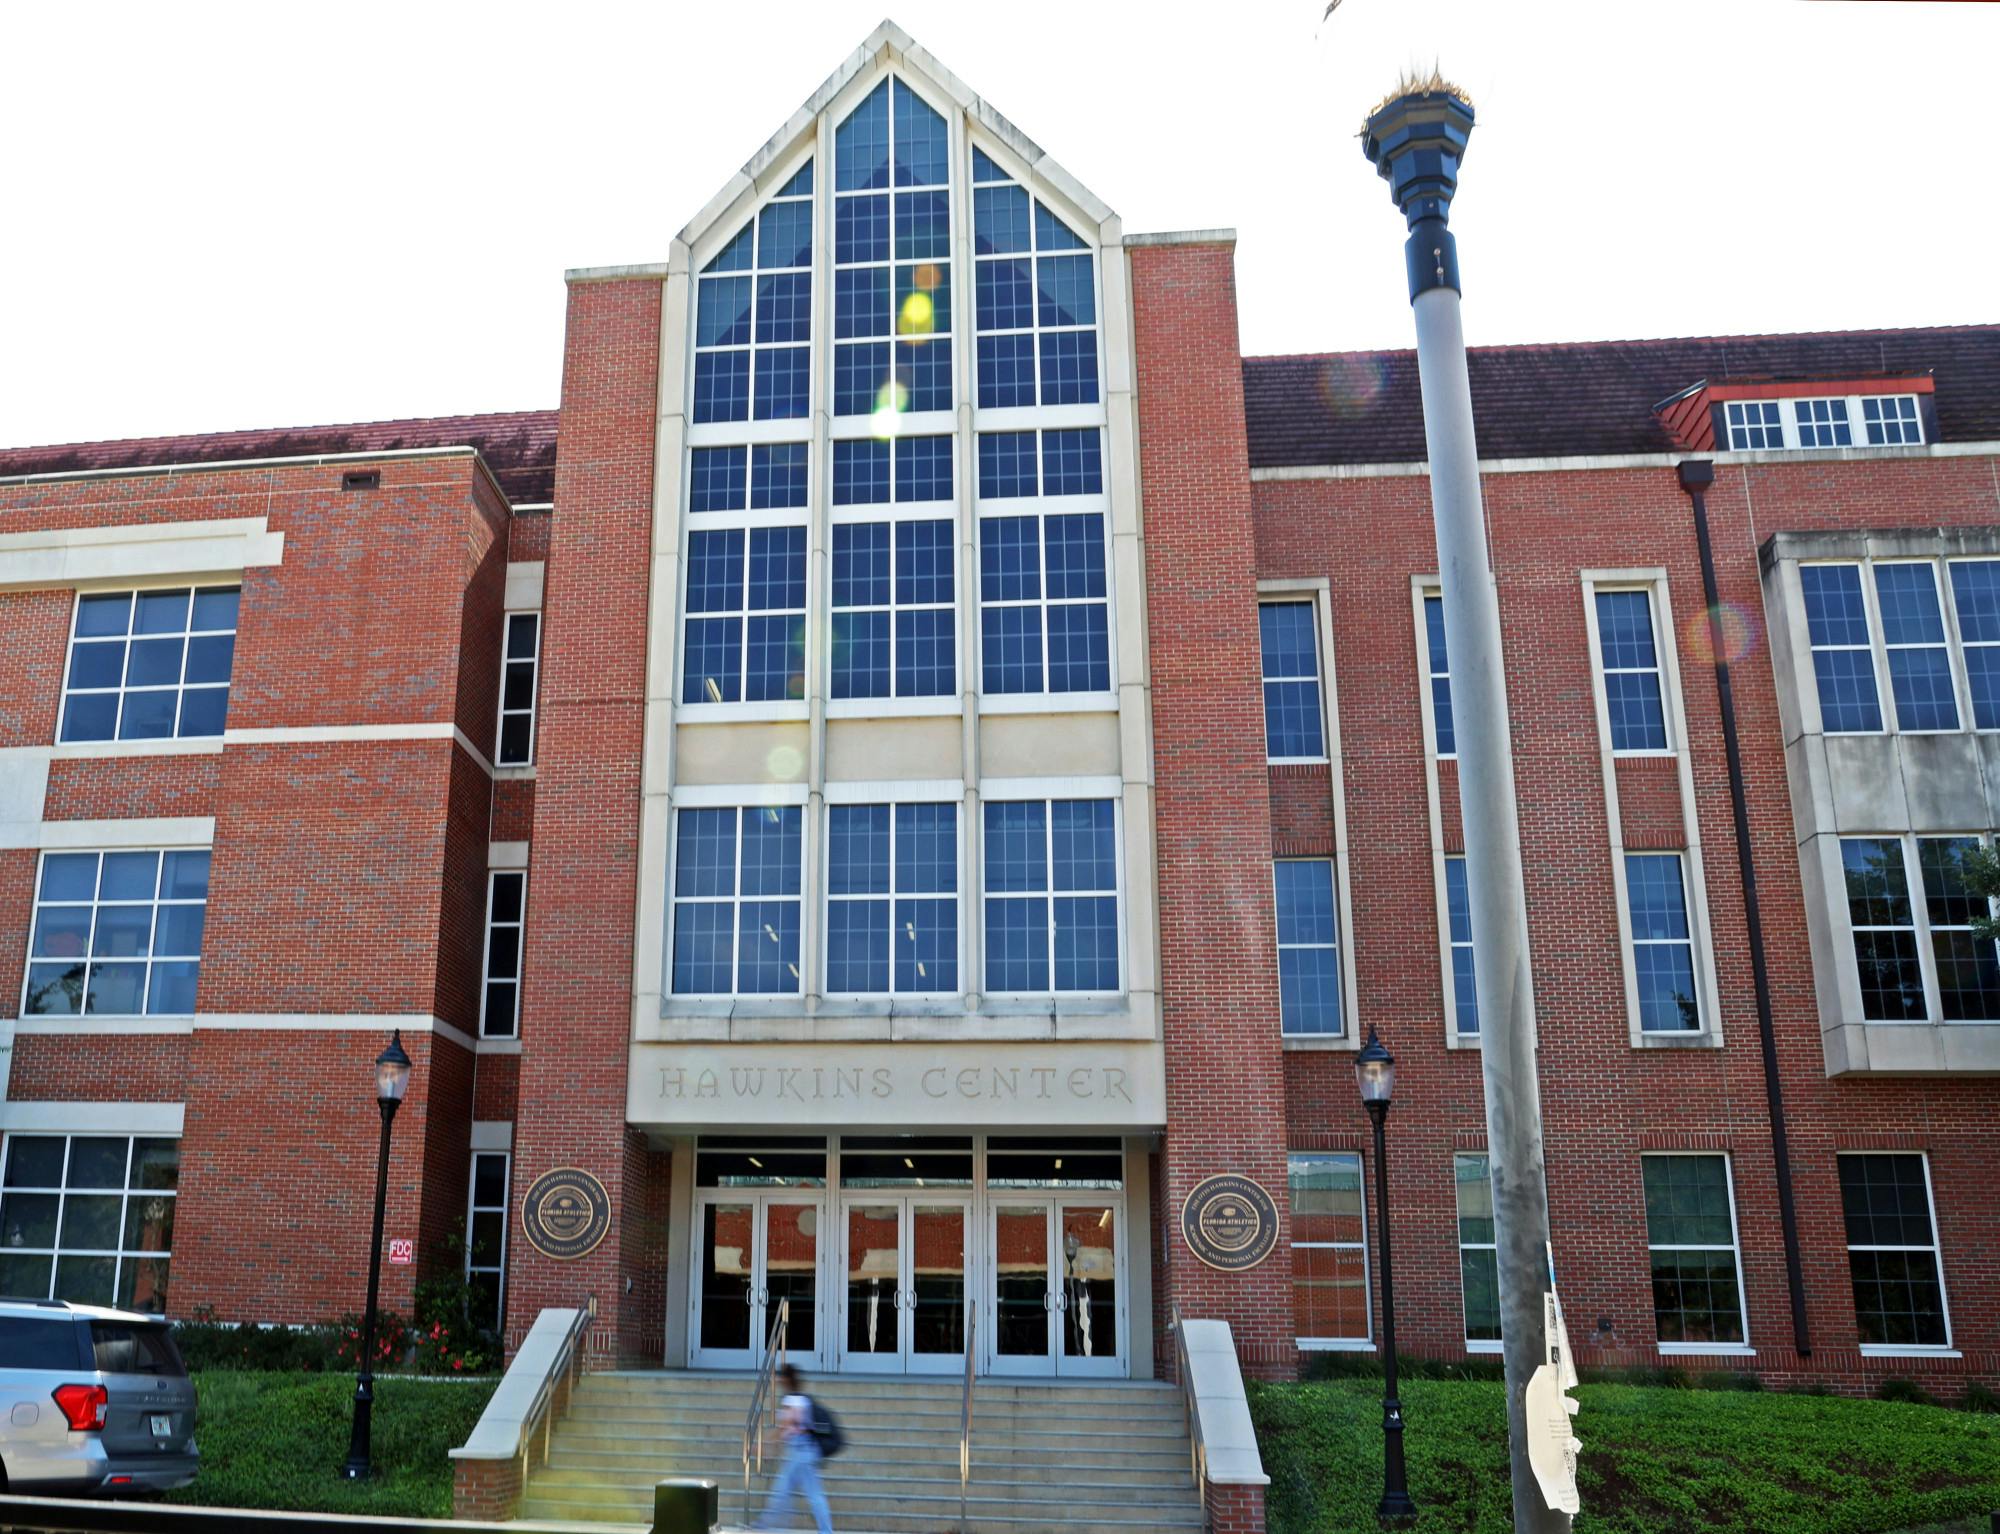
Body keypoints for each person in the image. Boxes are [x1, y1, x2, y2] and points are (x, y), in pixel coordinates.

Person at [753, 1362, 833, 1532]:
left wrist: (764, 1443)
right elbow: (788, 1431)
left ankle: (763, 1526)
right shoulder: (801, 1399)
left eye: (781, 1376)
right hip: (802, 1450)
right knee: (785, 1490)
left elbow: (784, 1427)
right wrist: (771, 1447)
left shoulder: (791, 1400)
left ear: (787, 1379)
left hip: (801, 1452)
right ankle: (763, 1525)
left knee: (806, 1493)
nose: (778, 1379)